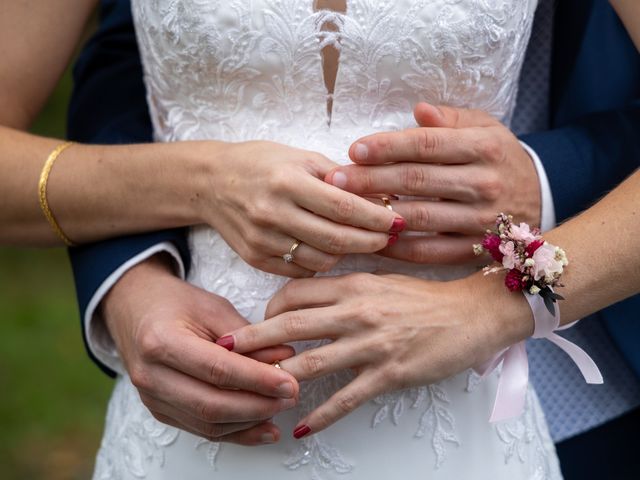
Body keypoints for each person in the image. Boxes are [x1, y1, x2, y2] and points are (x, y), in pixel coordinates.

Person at [62, 0, 638, 479]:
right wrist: (131, 289)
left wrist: (496, 307)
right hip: (188, 431)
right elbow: (112, 83)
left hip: (455, 425)